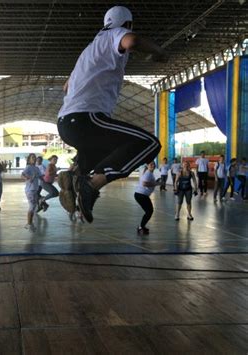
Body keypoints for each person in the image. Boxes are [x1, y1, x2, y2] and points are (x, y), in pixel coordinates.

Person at [57, 6, 165, 223]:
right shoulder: (113, 34)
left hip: (67, 122)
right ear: (128, 24)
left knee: (110, 146)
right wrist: (159, 51)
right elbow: (131, 41)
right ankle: (91, 185)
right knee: (149, 143)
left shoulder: (90, 49)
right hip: (85, 119)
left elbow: (66, 86)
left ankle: (76, 172)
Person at [134, 161, 159, 235]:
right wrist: (156, 183)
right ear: (147, 166)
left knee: (149, 211)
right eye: (151, 164)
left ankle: (142, 226)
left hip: (141, 195)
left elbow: (148, 182)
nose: (152, 165)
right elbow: (144, 183)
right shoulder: (148, 173)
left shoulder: (149, 173)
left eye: (153, 164)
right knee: (149, 211)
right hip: (141, 195)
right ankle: (141, 227)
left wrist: (156, 182)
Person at [22, 153, 42, 232]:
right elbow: (22, 175)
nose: (34, 159)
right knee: (32, 206)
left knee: (34, 207)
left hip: (35, 189)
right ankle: (29, 224)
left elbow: (41, 176)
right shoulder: (28, 167)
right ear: (29, 159)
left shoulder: (36, 168)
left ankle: (30, 223)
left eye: (35, 157)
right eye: (32, 158)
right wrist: (29, 178)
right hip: (30, 190)